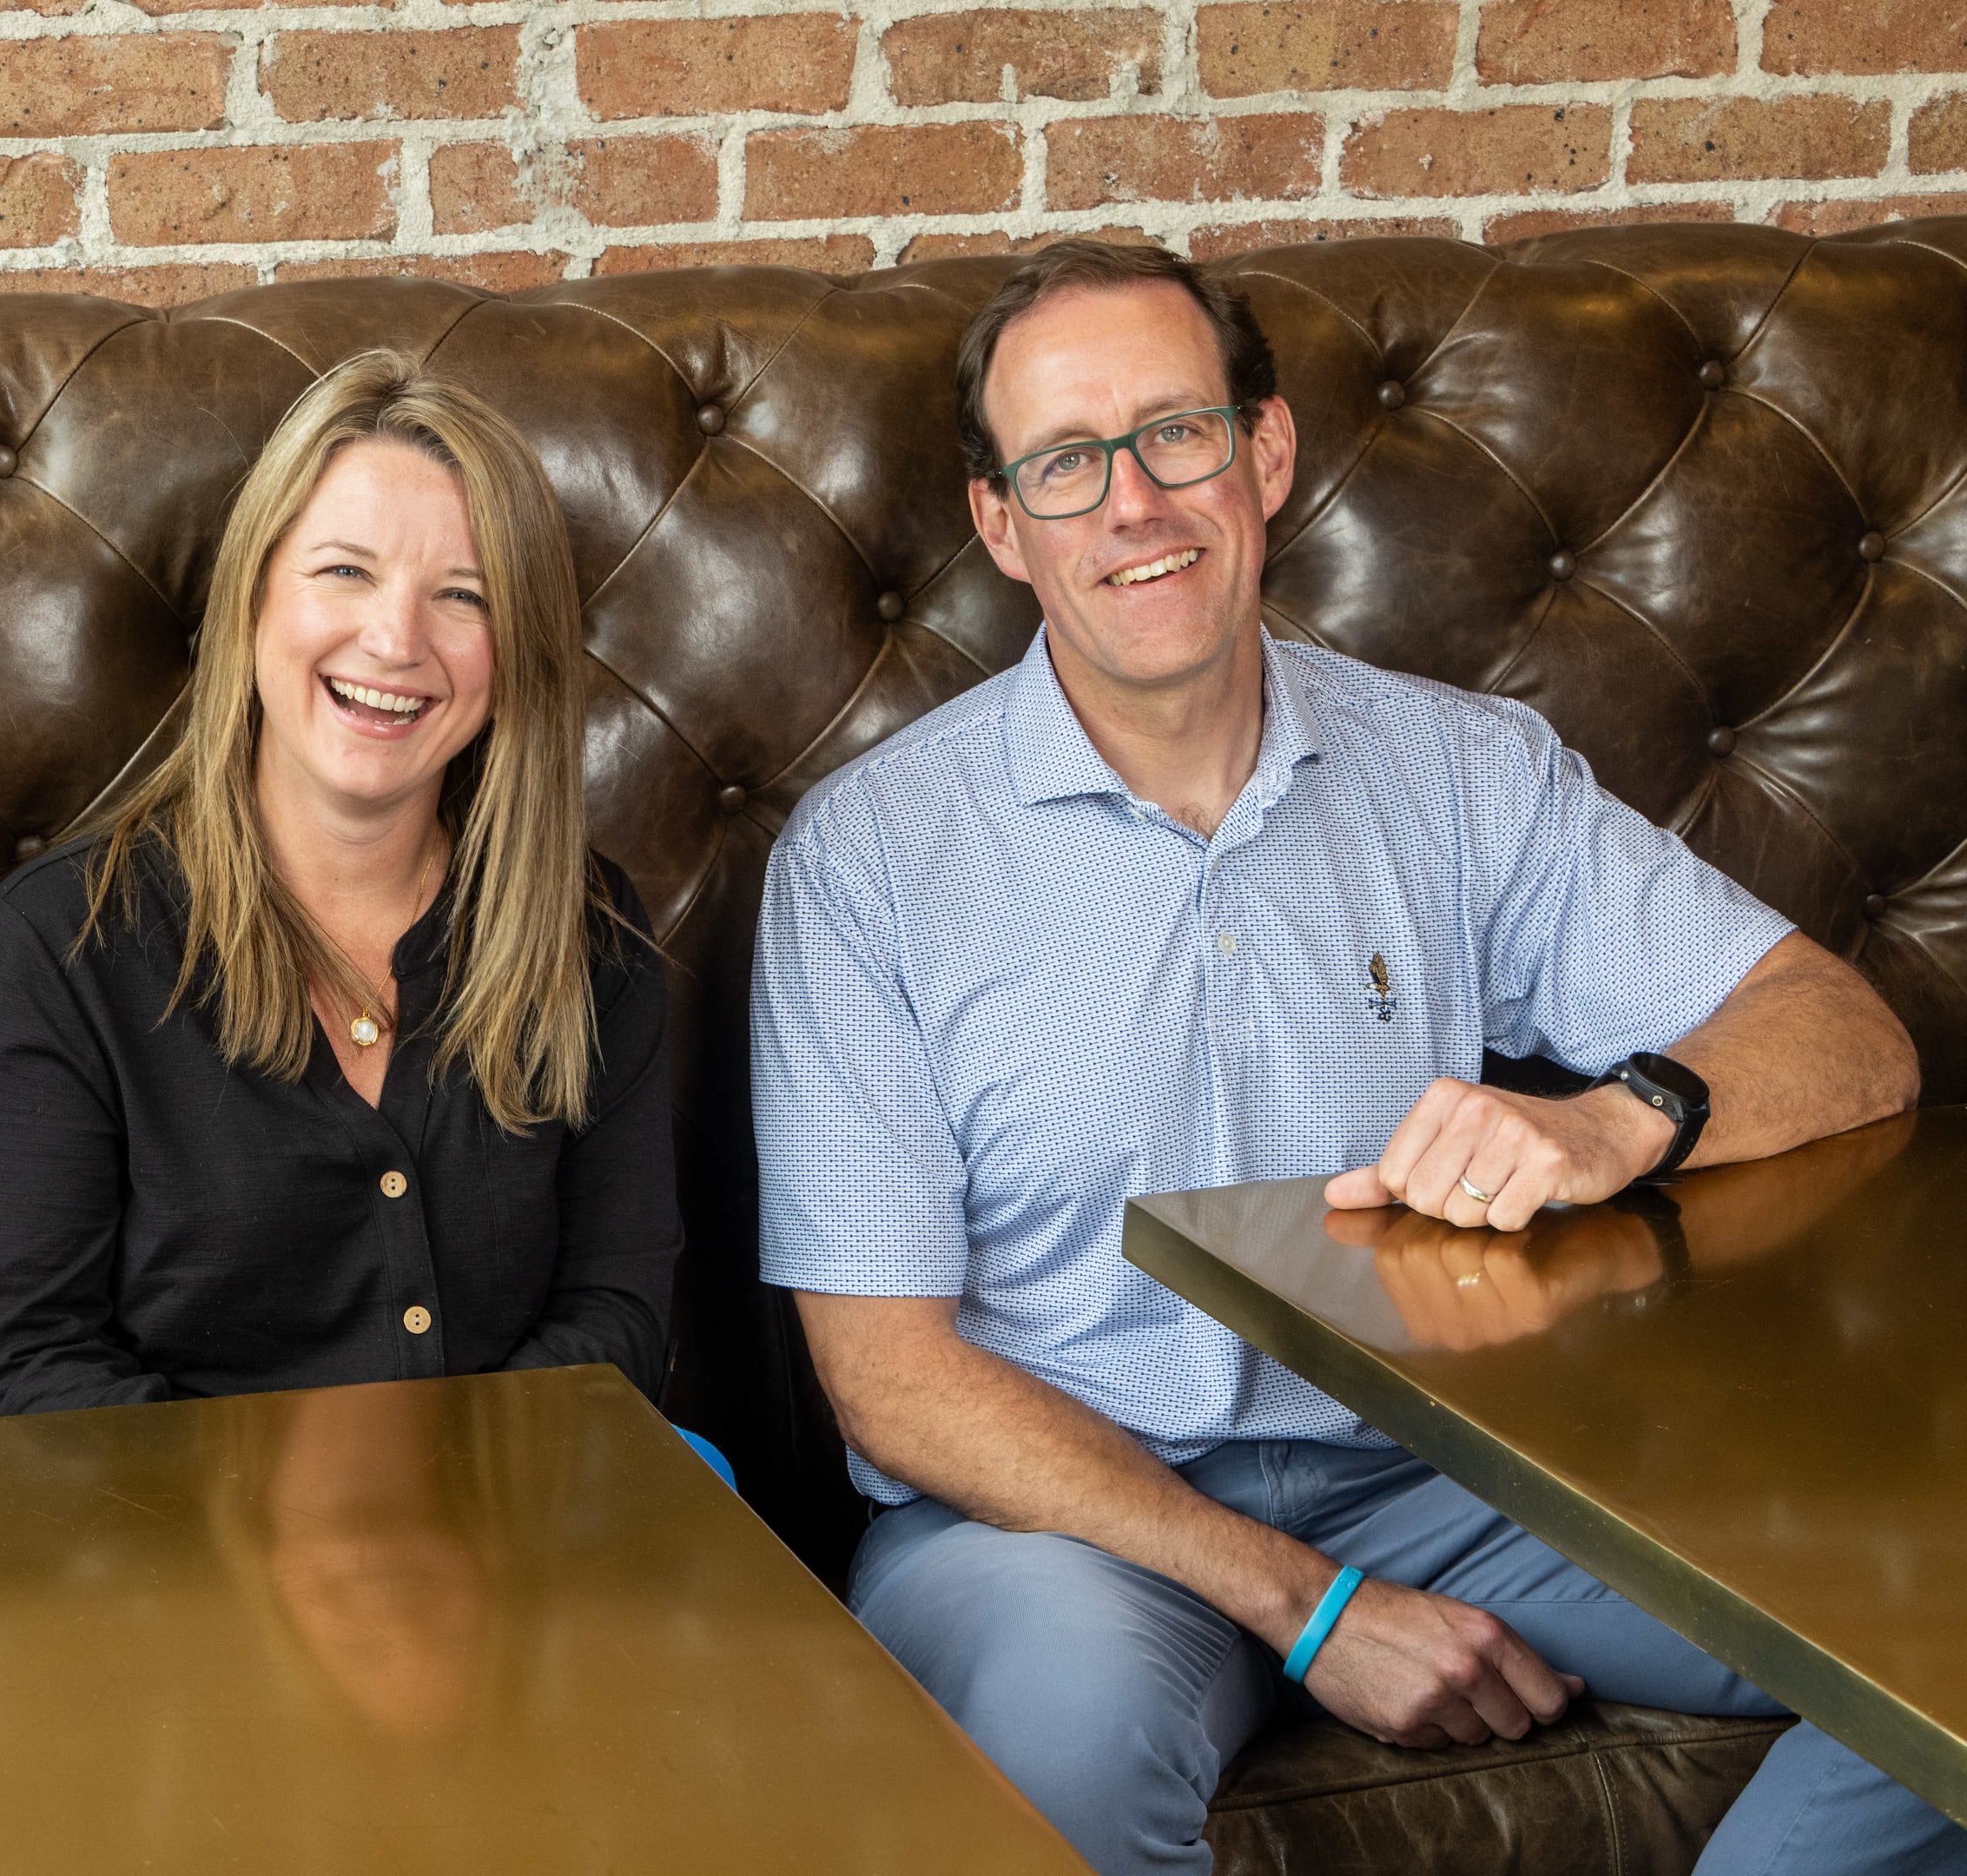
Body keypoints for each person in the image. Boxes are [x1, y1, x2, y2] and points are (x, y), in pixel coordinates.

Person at [749, 239, 1959, 1876]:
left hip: (1443, 1471)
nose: (1134, 503)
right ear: (1001, 525)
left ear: (1266, 454)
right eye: (1067, 462)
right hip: (1052, 1522)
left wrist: (1625, 1121)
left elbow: (1846, 1034)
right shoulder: (871, 858)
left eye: (1177, 433)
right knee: (1051, 1765)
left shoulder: (1460, 774)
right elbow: (888, 1381)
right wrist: (1312, 1609)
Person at [0, 351, 678, 1415]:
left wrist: (464, 1528)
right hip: (179, 1560)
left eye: (464, 595)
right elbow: (38, 1368)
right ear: (252, 594)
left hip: (523, 1543)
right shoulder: (56, 951)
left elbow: (617, 1312)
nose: (396, 639)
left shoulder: (585, 930)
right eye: (344, 572)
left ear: (518, 657)